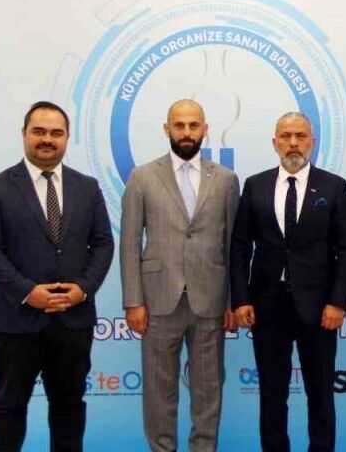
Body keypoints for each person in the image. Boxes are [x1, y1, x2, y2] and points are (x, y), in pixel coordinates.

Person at [0, 101, 114, 452]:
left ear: (67, 137)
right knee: (8, 408)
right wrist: (27, 292)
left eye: (56, 132)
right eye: (39, 131)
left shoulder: (88, 187)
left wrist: (83, 289)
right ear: (24, 134)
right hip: (14, 321)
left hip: (72, 320)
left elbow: (102, 244)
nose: (47, 139)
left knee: (69, 409)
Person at [120, 98, 239, 452]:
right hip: (158, 301)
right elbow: (129, 242)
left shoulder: (226, 180)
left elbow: (232, 246)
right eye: (179, 125)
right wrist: (133, 301)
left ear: (205, 129)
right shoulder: (142, 177)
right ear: (167, 129)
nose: (186, 132)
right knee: (159, 391)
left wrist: (232, 301)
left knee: (208, 389)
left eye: (193, 125)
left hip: (210, 302)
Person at [230, 112, 346, 452]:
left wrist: (337, 302)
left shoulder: (333, 186)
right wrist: (240, 299)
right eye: (286, 136)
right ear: (275, 143)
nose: (293, 143)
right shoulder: (255, 185)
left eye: (300, 136)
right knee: (272, 393)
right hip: (268, 306)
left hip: (319, 308)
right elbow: (240, 247)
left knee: (321, 392)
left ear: (312, 142)